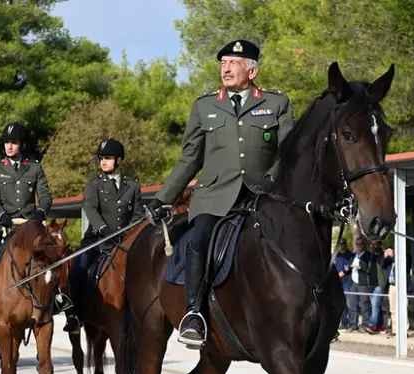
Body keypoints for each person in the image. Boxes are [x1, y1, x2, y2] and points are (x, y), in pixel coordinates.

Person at [144, 39, 294, 348]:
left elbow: (288, 153)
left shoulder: (276, 103)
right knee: (198, 241)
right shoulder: (205, 106)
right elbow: (189, 159)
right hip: (214, 196)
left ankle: (313, 307)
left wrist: (271, 181)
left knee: (297, 238)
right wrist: (163, 198)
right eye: (223, 63)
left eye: (233, 63)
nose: (225, 68)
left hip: (261, 195)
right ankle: (195, 314)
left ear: (251, 70)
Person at [0, 122, 53, 310]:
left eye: (13, 142)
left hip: (30, 224)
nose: (9, 146)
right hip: (2, 223)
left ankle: (59, 296)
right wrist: (1, 214)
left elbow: (45, 196)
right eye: (6, 142)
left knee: (55, 249)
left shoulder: (34, 168)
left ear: (21, 144)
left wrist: (41, 212)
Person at [65, 139, 142, 333]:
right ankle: (74, 314)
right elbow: (90, 208)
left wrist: (128, 235)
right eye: (101, 159)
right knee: (78, 268)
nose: (103, 162)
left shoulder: (132, 186)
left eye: (107, 158)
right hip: (97, 240)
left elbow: (138, 215)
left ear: (118, 160)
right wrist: (103, 229)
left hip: (124, 242)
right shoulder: (94, 185)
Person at [349, 237, 376, 330]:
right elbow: (349, 266)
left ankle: (365, 324)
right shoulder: (354, 255)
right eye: (357, 244)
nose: (358, 246)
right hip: (353, 282)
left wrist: (360, 265)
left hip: (363, 283)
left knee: (364, 304)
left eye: (360, 244)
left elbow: (369, 269)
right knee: (352, 303)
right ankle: (353, 324)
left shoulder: (368, 255)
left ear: (363, 245)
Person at [333, 239, 355, 329]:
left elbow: (348, 267)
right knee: (340, 303)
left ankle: (352, 323)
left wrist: (341, 273)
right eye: (340, 245)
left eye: (343, 244)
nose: (341, 246)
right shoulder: (336, 255)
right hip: (338, 283)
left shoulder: (350, 255)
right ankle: (344, 323)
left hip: (347, 282)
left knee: (349, 303)